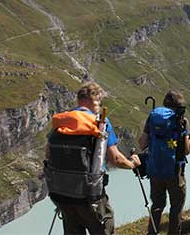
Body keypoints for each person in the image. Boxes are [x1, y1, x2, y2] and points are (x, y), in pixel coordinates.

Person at [45, 82, 141, 235]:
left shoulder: (63, 121)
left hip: (63, 194)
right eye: (99, 102)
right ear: (93, 100)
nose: (99, 106)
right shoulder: (100, 122)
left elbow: (48, 155)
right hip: (90, 195)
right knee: (103, 227)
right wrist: (132, 164)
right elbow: (115, 158)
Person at [139, 90, 190, 235]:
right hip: (175, 171)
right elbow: (187, 149)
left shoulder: (153, 118)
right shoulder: (182, 121)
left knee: (157, 205)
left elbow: (142, 144)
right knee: (176, 205)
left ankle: (153, 232)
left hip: (155, 169)